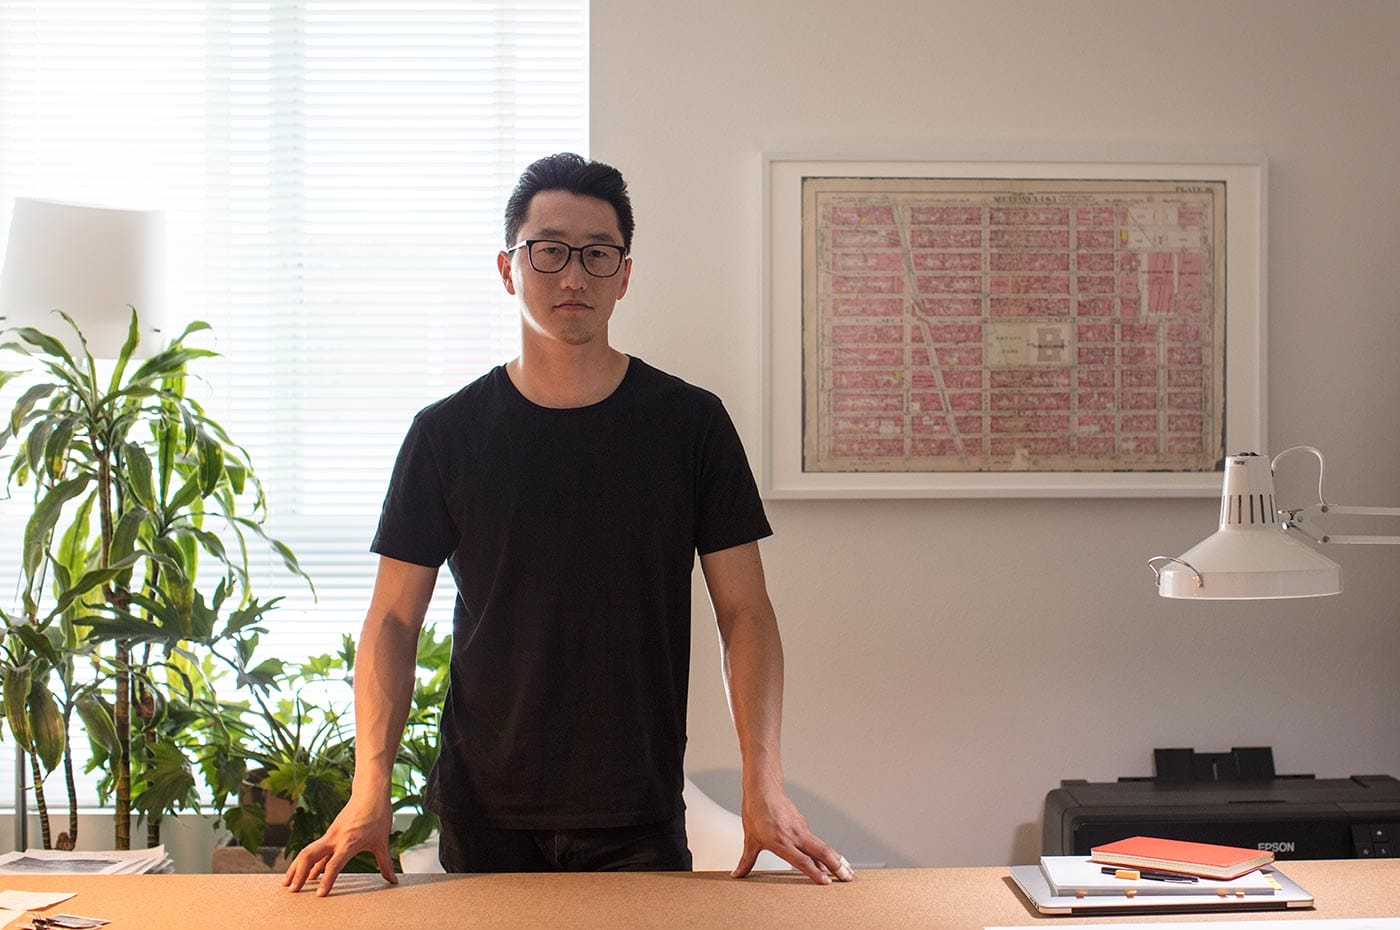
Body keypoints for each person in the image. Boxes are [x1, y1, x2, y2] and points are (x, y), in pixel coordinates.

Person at [283, 153, 852, 896]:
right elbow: (393, 619)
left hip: (636, 811)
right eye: (549, 251)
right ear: (508, 267)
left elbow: (745, 612)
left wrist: (764, 783)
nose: (574, 276)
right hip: (485, 808)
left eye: (598, 254)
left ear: (625, 273)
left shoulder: (690, 425)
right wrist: (369, 790)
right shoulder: (446, 435)